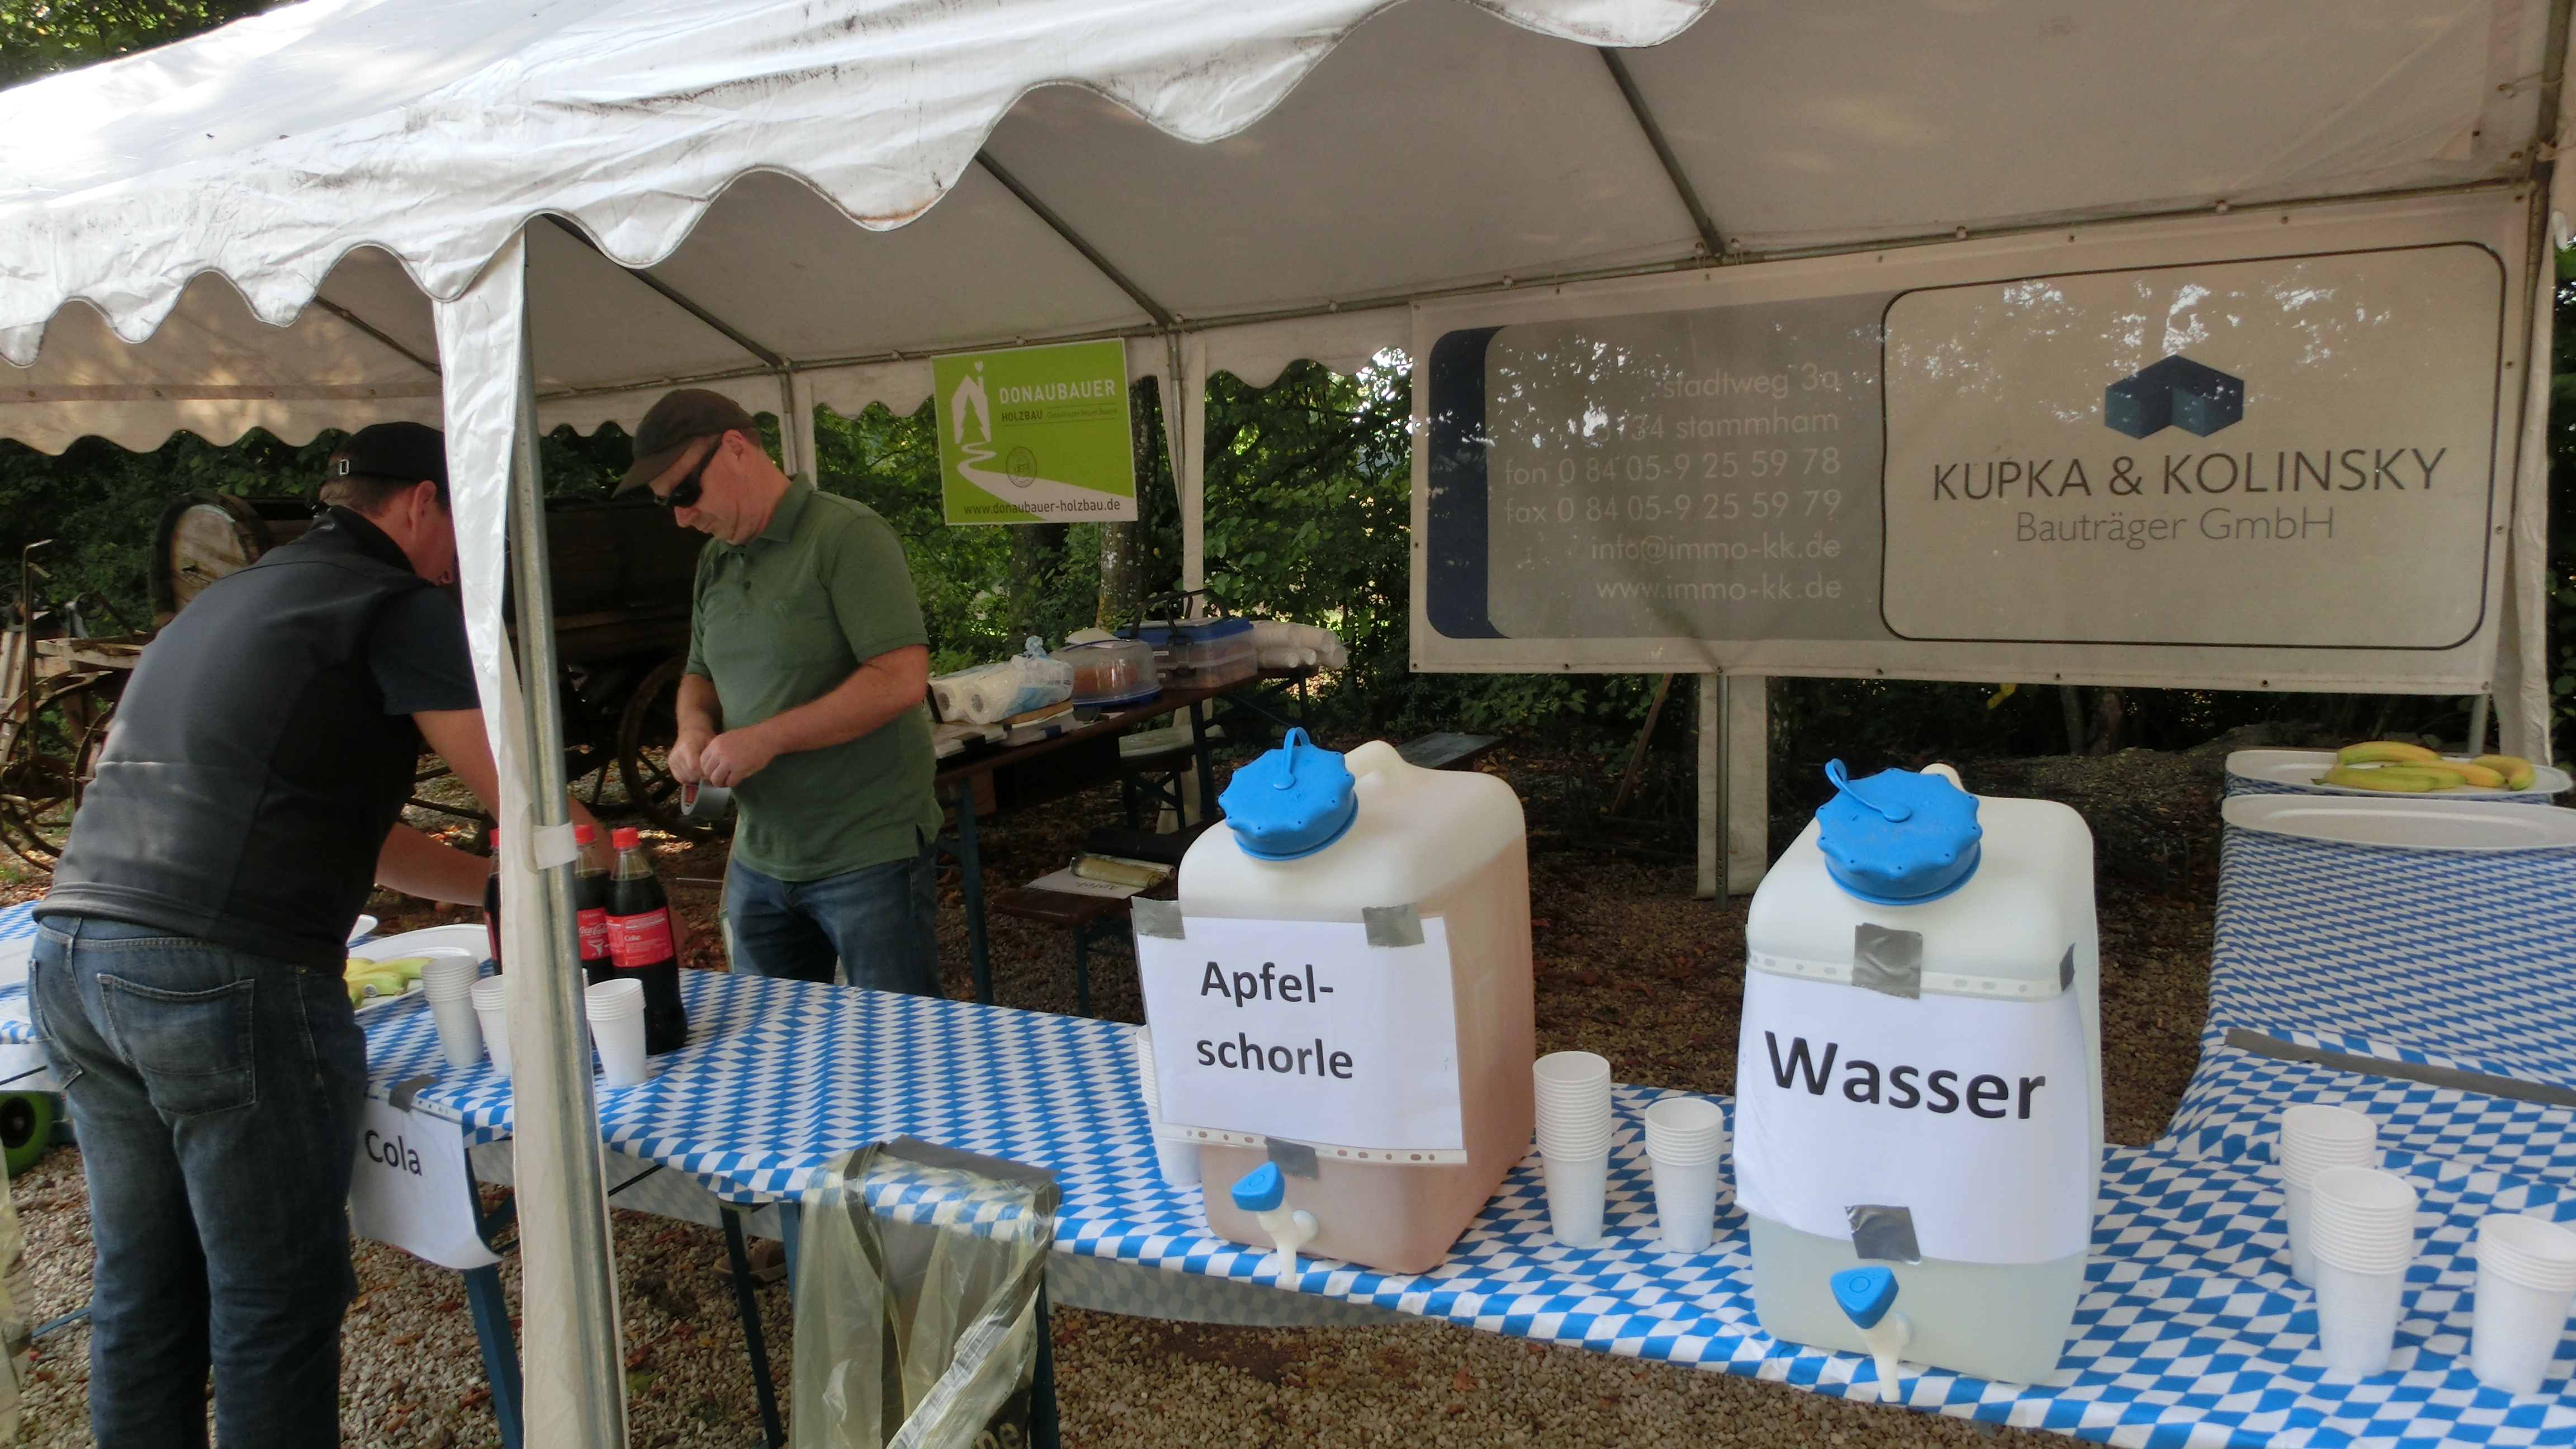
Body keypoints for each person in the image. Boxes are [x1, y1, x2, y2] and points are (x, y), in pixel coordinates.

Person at [29, 422, 578, 1447]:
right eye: (466, 526)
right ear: (422, 502)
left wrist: (485, 883)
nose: (466, 557)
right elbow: (525, 800)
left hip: (73, 955)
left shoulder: (236, 598)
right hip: (221, 972)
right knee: (271, 1298)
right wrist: (592, 861)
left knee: (145, 1285)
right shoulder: (400, 604)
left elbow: (346, 825)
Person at [617, 389, 943, 994]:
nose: (681, 517)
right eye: (666, 503)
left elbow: (900, 679)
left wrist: (767, 738)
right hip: (759, 856)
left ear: (735, 448)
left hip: (866, 851)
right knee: (770, 1038)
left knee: (898, 1037)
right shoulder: (715, 560)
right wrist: (693, 728)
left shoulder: (847, 534)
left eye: (685, 493)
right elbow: (699, 674)